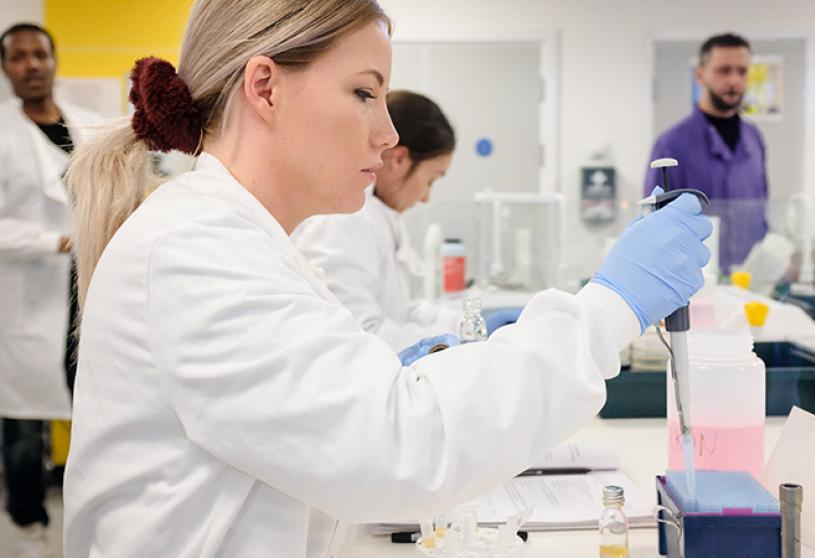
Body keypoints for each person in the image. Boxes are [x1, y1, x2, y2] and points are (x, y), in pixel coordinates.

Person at [62, 1, 711, 556]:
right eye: (364, 93)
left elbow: (364, 409)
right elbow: (403, 443)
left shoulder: (247, 242)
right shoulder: (196, 250)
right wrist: (607, 309)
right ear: (265, 87)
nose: (388, 132)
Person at [0, 22, 101, 556]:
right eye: (18, 57)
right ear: (5, 68)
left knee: (93, 403)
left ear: (54, 60)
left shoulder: (84, 128)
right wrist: (53, 240)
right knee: (23, 424)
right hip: (25, 295)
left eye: (39, 54)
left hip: (83, 288)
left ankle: (92, 510)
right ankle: (27, 526)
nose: (31, 64)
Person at [293, 90, 462, 350]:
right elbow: (359, 333)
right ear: (399, 159)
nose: (426, 197)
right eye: (430, 180)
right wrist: (447, 338)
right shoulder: (345, 218)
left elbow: (398, 310)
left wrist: (463, 323)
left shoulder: (379, 215)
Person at [643, 32, 768, 273]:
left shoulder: (754, 140)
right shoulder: (671, 145)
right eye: (724, 70)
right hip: (695, 281)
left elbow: (761, 211)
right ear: (700, 74)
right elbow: (655, 225)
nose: (734, 80)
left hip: (749, 280)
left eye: (742, 71)